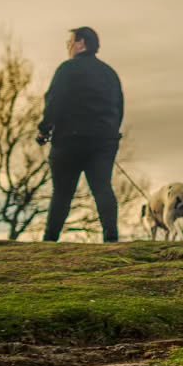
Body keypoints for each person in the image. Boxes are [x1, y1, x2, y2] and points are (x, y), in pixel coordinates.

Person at [37, 27, 124, 242]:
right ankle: (111, 238)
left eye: (70, 42)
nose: (68, 47)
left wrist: (44, 129)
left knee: (62, 193)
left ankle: (50, 239)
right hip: (104, 141)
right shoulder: (109, 73)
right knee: (103, 187)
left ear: (81, 43)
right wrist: (110, 134)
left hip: (69, 141)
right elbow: (119, 107)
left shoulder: (67, 69)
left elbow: (54, 101)